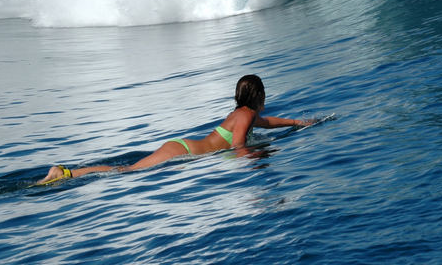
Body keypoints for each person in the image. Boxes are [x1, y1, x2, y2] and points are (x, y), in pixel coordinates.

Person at [37, 74, 312, 184]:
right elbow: (237, 146)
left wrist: (297, 123)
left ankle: (67, 172)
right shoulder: (245, 116)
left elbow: (268, 122)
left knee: (127, 170)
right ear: (259, 95)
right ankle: (65, 173)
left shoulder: (243, 113)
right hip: (182, 152)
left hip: (183, 148)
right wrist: (253, 162)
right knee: (126, 172)